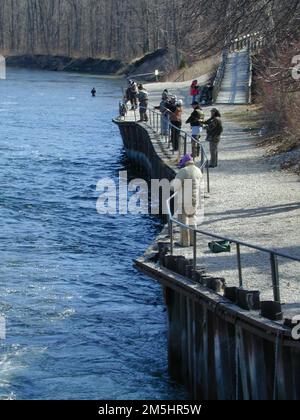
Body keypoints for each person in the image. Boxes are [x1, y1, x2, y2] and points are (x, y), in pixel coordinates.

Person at [171, 154, 203, 247]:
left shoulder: (183, 171)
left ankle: (184, 242)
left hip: (185, 199)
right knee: (193, 219)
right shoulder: (198, 170)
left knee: (183, 220)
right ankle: (193, 241)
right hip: (195, 199)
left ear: (184, 162)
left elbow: (174, 187)